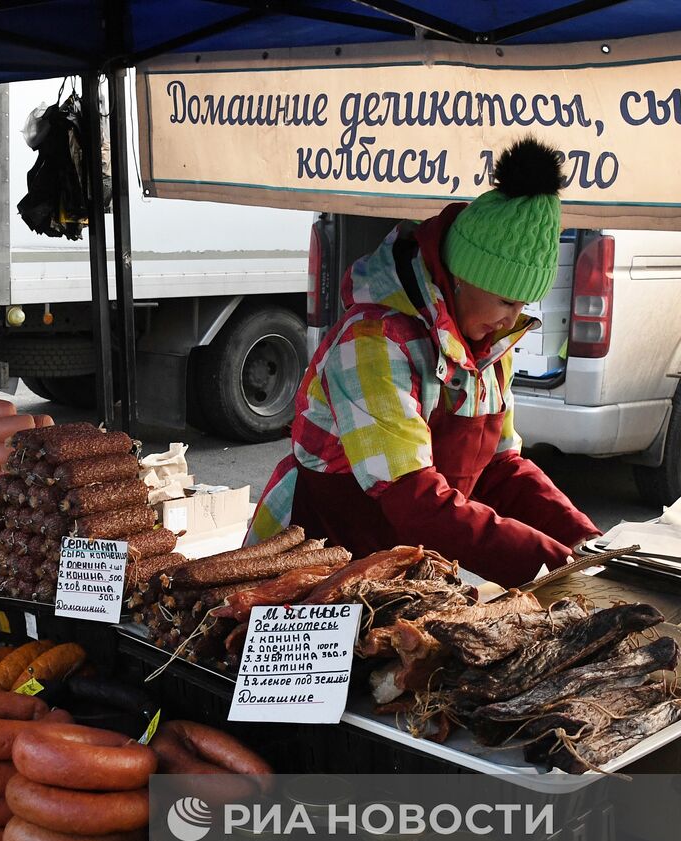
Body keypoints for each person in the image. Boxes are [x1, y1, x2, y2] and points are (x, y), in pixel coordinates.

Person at [248, 137, 600, 588]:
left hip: (401, 572)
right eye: (506, 301)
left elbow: (498, 468)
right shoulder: (373, 342)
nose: (512, 320)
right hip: (314, 566)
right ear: (461, 276)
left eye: (523, 304)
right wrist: (550, 563)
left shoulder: (487, 345)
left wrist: (586, 542)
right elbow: (414, 501)